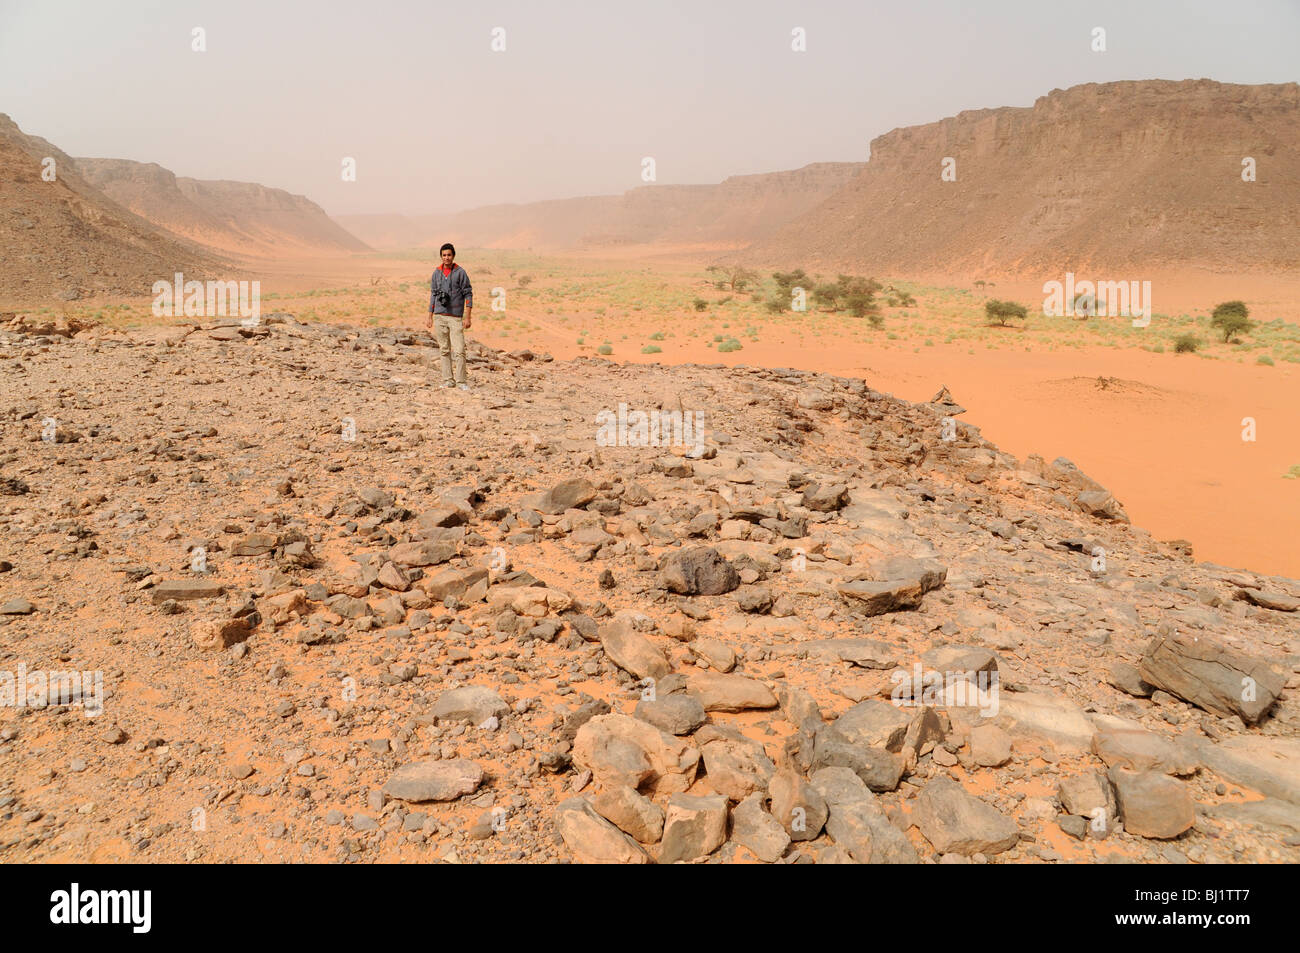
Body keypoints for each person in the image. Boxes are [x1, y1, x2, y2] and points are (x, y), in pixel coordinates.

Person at [426, 243, 473, 389]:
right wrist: (430, 316)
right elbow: (433, 295)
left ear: (453, 256)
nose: (446, 258)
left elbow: (468, 293)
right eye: (444, 255)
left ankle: (461, 382)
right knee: (444, 349)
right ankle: (448, 380)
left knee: (459, 350)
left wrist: (468, 317)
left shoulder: (460, 272)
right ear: (441, 256)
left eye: (449, 255)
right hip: (440, 316)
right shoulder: (436, 273)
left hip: (455, 317)